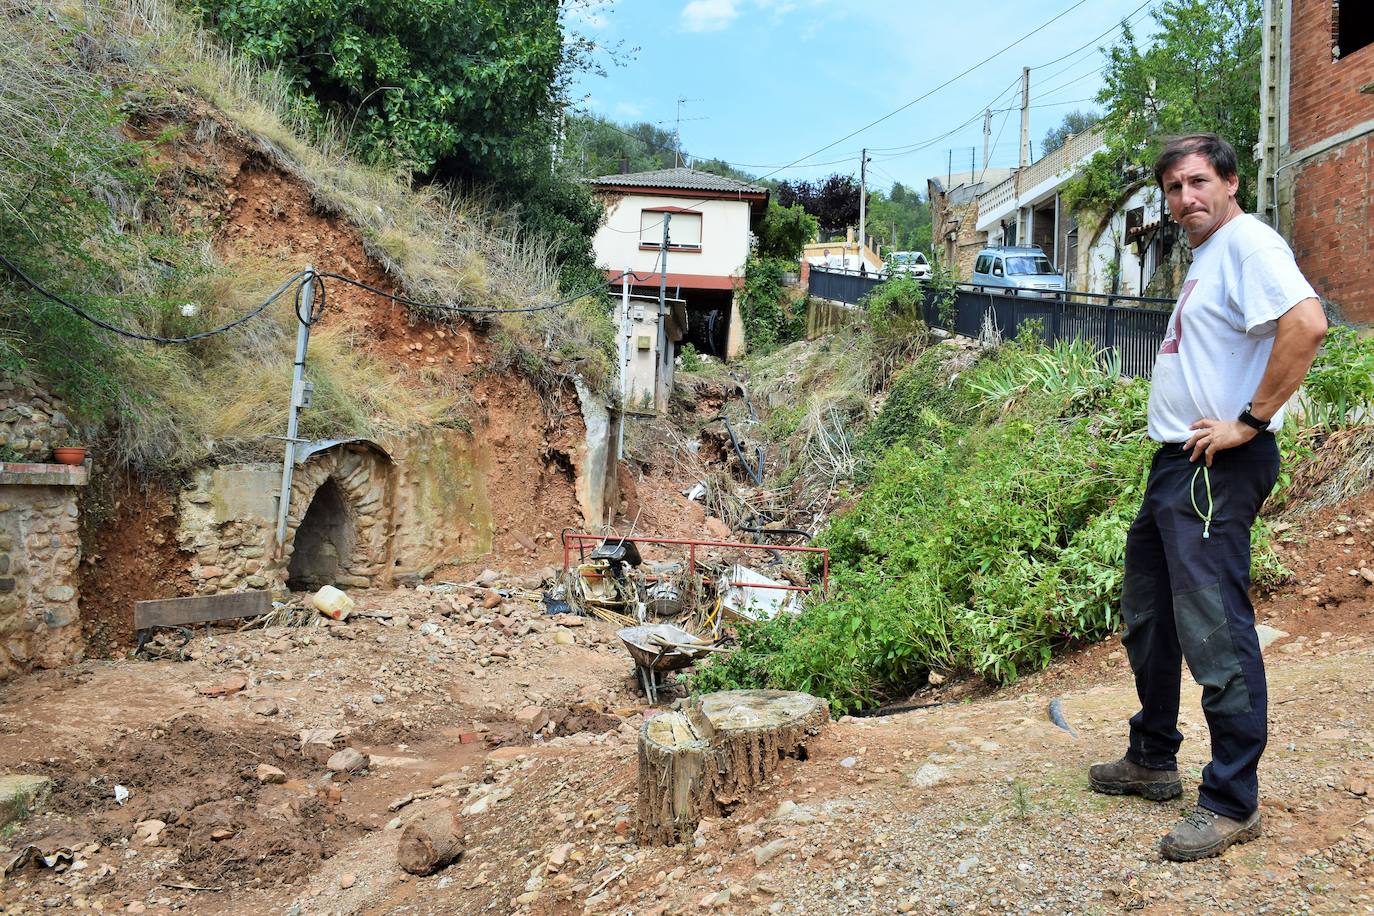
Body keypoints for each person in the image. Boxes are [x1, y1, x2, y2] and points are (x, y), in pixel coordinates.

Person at [1088, 134, 1327, 862]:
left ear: (1229, 182)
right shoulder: (1209, 257)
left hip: (1213, 467)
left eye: (1197, 183)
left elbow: (1308, 323)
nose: (1185, 199)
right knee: (1151, 617)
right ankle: (1153, 757)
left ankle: (1230, 800)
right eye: (1172, 188)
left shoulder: (1249, 244)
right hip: (1178, 464)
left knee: (1213, 629)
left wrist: (1249, 423)